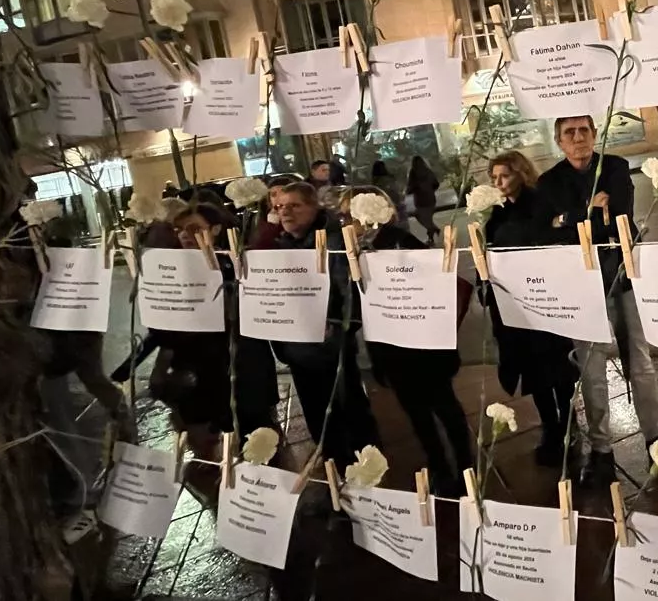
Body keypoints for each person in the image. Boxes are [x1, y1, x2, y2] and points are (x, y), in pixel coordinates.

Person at [536, 116, 658, 485]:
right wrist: (588, 213)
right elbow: (547, 229)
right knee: (591, 370)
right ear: (559, 141)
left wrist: (569, 219)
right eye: (570, 133)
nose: (578, 138)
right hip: (581, 284)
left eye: (585, 131)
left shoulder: (613, 167)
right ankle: (601, 451)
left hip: (623, 274)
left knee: (640, 361)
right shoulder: (549, 182)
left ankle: (656, 437)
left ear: (595, 135)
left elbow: (620, 219)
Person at [347, 187, 476, 497]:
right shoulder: (359, 253)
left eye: (348, 215)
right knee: (417, 414)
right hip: (393, 351)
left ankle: (465, 468)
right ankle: (439, 465)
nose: (345, 222)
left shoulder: (401, 243)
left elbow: (435, 286)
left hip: (423, 350)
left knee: (445, 409)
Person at [152, 204, 280, 459]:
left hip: (241, 365)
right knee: (205, 448)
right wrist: (161, 365)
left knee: (255, 443)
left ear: (217, 229)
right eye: (179, 230)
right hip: (197, 369)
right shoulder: (172, 269)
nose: (185, 235)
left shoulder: (238, 263)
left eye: (194, 228)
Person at [268, 182, 381, 467]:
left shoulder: (334, 242)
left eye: (295, 205)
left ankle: (367, 471)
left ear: (314, 207)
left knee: (351, 412)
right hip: (297, 350)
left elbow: (351, 293)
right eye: (280, 206)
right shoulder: (280, 244)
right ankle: (335, 472)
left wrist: (339, 330)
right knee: (318, 418)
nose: (286, 212)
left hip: (332, 350)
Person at [483, 152, 582, 469]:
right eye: (494, 177)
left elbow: (553, 240)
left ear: (520, 174)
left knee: (558, 368)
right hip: (516, 307)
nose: (498, 183)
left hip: (544, 299)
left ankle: (569, 425)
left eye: (504, 176)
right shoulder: (496, 215)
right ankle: (549, 427)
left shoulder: (540, 204)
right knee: (534, 372)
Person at [406, 155, 441, 240]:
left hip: (420, 200)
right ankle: (432, 232)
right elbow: (436, 183)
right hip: (430, 198)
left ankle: (432, 234)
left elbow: (410, 187)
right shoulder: (428, 171)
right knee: (427, 219)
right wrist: (430, 189)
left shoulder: (413, 173)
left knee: (422, 217)